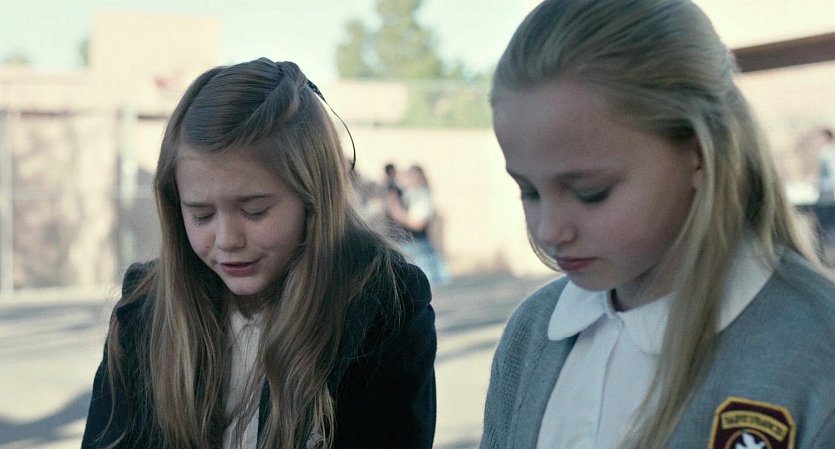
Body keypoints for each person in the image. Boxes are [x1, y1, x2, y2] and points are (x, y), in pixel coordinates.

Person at [481, 1, 835, 449]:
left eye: (590, 192)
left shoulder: (816, 352)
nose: (549, 231)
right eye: (528, 191)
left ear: (699, 153)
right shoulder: (533, 332)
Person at [81, 58, 436, 449]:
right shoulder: (144, 310)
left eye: (254, 211)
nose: (227, 239)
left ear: (314, 198)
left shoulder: (383, 306)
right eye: (201, 214)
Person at [387, 165, 450, 287]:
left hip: (417, 245)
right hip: (411, 245)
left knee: (424, 286)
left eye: (412, 176)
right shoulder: (411, 194)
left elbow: (417, 224)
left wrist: (396, 210)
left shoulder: (422, 196)